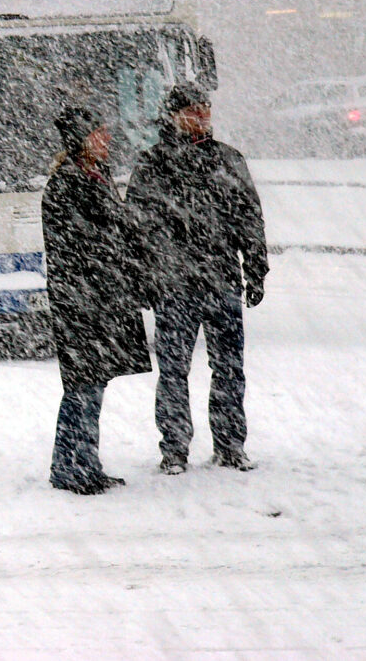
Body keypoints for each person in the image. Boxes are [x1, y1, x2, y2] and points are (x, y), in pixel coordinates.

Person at [127, 83, 268, 474]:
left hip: (221, 281)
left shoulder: (228, 160)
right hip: (175, 286)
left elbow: (249, 218)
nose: (202, 115)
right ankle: (174, 448)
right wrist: (142, 279)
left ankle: (230, 445)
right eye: (193, 109)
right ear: (174, 115)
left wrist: (255, 268)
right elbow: (138, 228)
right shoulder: (153, 164)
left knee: (229, 368)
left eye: (205, 108)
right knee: (174, 371)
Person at [41, 106, 153, 495]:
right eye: (98, 133)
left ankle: (86, 463)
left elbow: (116, 232)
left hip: (101, 298)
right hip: (81, 302)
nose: (107, 139)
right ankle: (68, 467)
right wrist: (118, 256)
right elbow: (84, 244)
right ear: (80, 140)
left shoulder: (96, 177)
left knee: (93, 385)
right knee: (82, 386)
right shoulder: (66, 184)